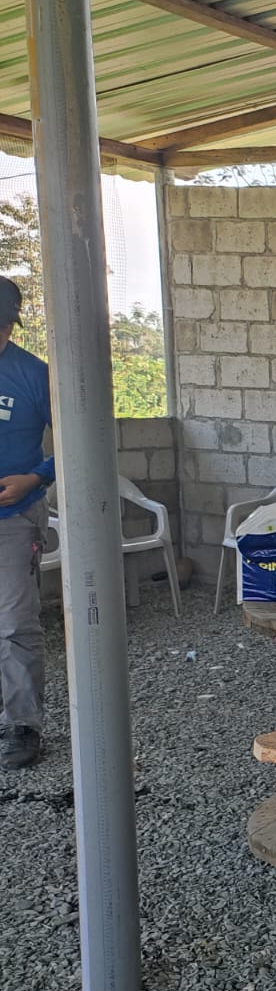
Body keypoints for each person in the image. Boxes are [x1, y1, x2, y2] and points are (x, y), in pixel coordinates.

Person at [0, 278, 53, 770]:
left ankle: (23, 725)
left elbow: (82, 437)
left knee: (15, 624)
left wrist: (35, 477)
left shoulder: (34, 375)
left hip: (13, 518)